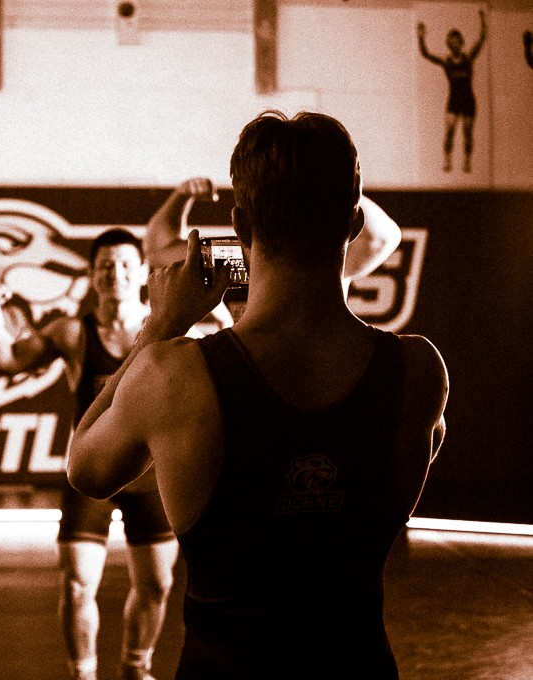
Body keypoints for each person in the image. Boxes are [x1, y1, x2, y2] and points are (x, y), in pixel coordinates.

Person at [67, 111, 448, 678]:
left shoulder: (174, 375)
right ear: (350, 225)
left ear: (241, 226)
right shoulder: (418, 369)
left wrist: (157, 330)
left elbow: (86, 469)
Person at [0, 227, 180, 680]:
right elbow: (8, 361)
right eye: (104, 265)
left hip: (150, 476)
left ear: (141, 271)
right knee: (79, 583)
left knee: (157, 584)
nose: (113, 274)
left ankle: (135, 667)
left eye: (123, 264)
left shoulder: (167, 328)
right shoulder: (71, 332)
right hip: (92, 473)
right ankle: (82, 673)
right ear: (90, 274)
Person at [143, 177, 402, 301]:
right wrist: (181, 195)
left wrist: (329, 183)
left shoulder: (318, 259)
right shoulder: (238, 258)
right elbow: (159, 253)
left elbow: (383, 238)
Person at [418, 10, 487, 173]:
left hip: (468, 100)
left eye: (457, 41)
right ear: (449, 44)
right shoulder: (447, 62)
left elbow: (481, 40)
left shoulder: (468, 58)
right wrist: (421, 36)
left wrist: (483, 20)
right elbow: (426, 54)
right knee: (449, 132)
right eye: (452, 42)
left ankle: (467, 161)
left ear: (461, 43)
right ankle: (447, 161)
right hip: (454, 101)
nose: (455, 44)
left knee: (467, 133)